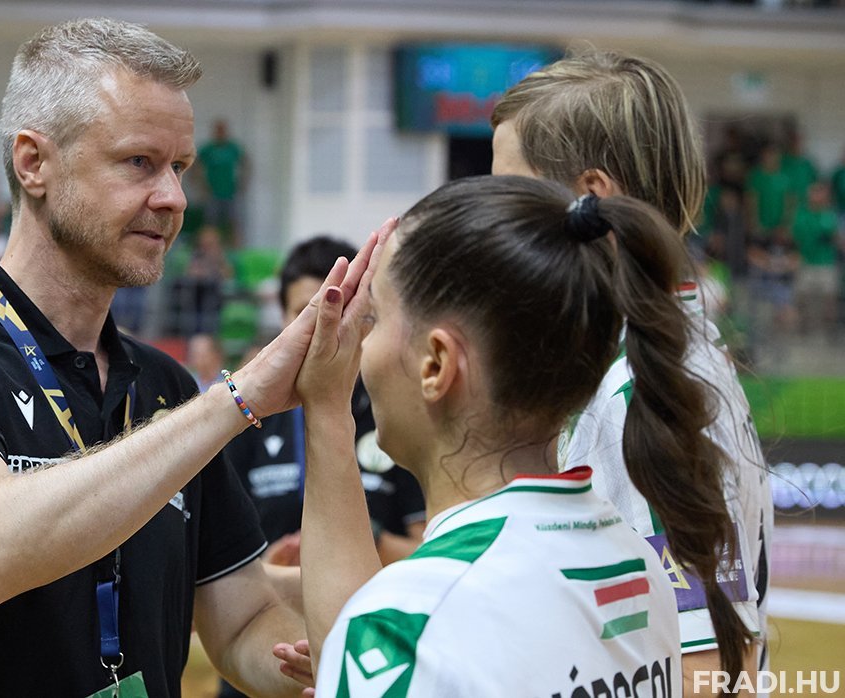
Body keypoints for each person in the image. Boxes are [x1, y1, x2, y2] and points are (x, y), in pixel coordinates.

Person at [0, 18, 321, 696]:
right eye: (139, 162)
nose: (174, 198)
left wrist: (320, 669)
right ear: (33, 163)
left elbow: (242, 619)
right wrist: (236, 400)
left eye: (180, 168)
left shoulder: (165, 385)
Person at [298, 176, 707, 696]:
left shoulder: (407, 626)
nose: (360, 343)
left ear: (436, 364)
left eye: (373, 318)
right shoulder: (635, 561)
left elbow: (401, 632)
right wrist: (328, 410)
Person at [491, 48, 769, 691]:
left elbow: (710, 675)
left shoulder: (645, 388)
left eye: (511, 190)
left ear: (591, 196)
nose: (495, 215)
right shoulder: (635, 362)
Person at [219, 236, 425, 698]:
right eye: (304, 312)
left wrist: (372, 540)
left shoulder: (392, 418)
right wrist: (264, 572)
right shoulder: (244, 418)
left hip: (372, 657)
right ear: (282, 318)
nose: (321, 327)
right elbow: (212, 569)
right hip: (262, 655)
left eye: (337, 310)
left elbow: (432, 553)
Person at [792, 182, 842, 337]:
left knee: (830, 298)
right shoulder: (802, 214)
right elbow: (797, 236)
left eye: (821, 194)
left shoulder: (829, 215)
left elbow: (835, 237)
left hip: (826, 263)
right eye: (815, 193)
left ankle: (830, 331)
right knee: (803, 297)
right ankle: (803, 329)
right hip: (807, 262)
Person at [196, 118, 248, 243]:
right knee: (210, 223)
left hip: (230, 192)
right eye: (218, 130)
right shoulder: (208, 149)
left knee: (234, 222)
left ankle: (236, 248)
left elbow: (245, 162)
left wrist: (243, 182)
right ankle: (210, 247)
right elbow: (195, 165)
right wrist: (200, 185)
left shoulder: (232, 148)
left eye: (223, 130)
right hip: (212, 192)